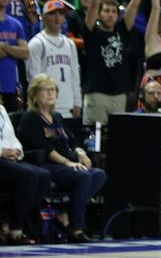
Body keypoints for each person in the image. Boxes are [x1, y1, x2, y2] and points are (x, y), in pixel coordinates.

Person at [17, 74, 106, 242]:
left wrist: (80, 153)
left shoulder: (57, 117)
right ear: (34, 95)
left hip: (67, 163)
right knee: (83, 176)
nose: (51, 93)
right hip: (45, 164)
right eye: (46, 90)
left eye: (53, 90)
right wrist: (68, 163)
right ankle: (77, 228)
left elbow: (72, 141)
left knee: (99, 174)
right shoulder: (31, 117)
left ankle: (64, 212)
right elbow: (45, 147)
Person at [0, 101, 51, 244]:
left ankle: (14, 220)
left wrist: (17, 151)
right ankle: (15, 229)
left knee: (44, 176)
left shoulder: (1, 108)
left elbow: (11, 137)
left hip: (8, 159)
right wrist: (1, 151)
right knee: (28, 175)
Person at [27, 0, 82, 122]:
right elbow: (33, 79)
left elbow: (75, 75)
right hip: (46, 107)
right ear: (44, 17)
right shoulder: (36, 43)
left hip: (68, 106)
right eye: (53, 14)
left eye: (61, 14)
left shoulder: (70, 44)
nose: (57, 18)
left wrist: (77, 101)